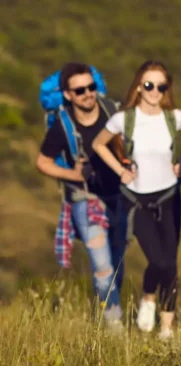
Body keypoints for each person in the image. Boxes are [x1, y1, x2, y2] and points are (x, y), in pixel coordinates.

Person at [91, 61, 181, 340]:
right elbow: (98, 144)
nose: (155, 91)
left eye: (161, 86)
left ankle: (166, 329)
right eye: (149, 85)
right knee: (159, 260)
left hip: (169, 197)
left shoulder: (174, 117)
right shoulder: (124, 119)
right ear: (139, 87)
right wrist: (120, 170)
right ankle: (148, 295)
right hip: (136, 200)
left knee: (170, 263)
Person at [36, 62, 128, 330]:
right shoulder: (62, 127)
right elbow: (43, 162)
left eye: (91, 87)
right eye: (80, 90)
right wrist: (73, 175)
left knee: (117, 263)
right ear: (68, 95)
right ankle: (114, 328)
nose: (88, 94)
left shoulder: (112, 111)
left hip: (119, 197)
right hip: (85, 200)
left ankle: (108, 311)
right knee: (103, 267)